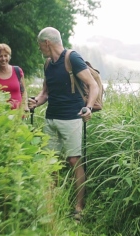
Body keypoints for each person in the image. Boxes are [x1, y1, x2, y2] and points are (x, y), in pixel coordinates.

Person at [28, 27, 99, 221]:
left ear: (47, 43)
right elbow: (45, 92)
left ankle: (79, 207)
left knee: (74, 161)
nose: (39, 48)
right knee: (51, 163)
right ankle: (51, 205)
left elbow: (92, 85)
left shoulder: (72, 58)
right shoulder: (47, 64)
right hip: (51, 119)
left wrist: (89, 108)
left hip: (72, 118)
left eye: (40, 45)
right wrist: (36, 101)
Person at [0, 43, 28, 112]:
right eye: (0, 56)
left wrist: (25, 105)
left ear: (9, 56)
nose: (3, 59)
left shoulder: (17, 71)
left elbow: (23, 91)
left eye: (6, 55)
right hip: (0, 116)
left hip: (18, 114)